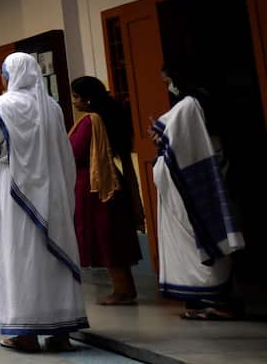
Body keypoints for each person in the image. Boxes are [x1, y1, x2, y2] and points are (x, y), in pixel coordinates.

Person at [0, 53, 86, 353]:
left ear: (10, 75)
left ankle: (24, 333)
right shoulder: (52, 106)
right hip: (51, 191)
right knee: (52, 257)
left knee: (20, 257)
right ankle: (61, 332)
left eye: (3, 73)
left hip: (16, 191)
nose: (2, 79)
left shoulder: (5, 105)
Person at [151, 87, 244, 320]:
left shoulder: (189, 106)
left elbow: (173, 138)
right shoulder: (207, 117)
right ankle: (210, 301)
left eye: (168, 80)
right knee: (214, 237)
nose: (168, 86)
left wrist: (163, 137)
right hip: (206, 179)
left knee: (206, 238)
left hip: (194, 185)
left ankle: (219, 302)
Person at [68, 76, 141, 306]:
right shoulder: (111, 117)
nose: (74, 101)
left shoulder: (91, 121)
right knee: (115, 235)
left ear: (88, 99)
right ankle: (125, 288)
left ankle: (122, 290)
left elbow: (74, 152)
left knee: (108, 237)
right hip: (111, 181)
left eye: (76, 97)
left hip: (98, 186)